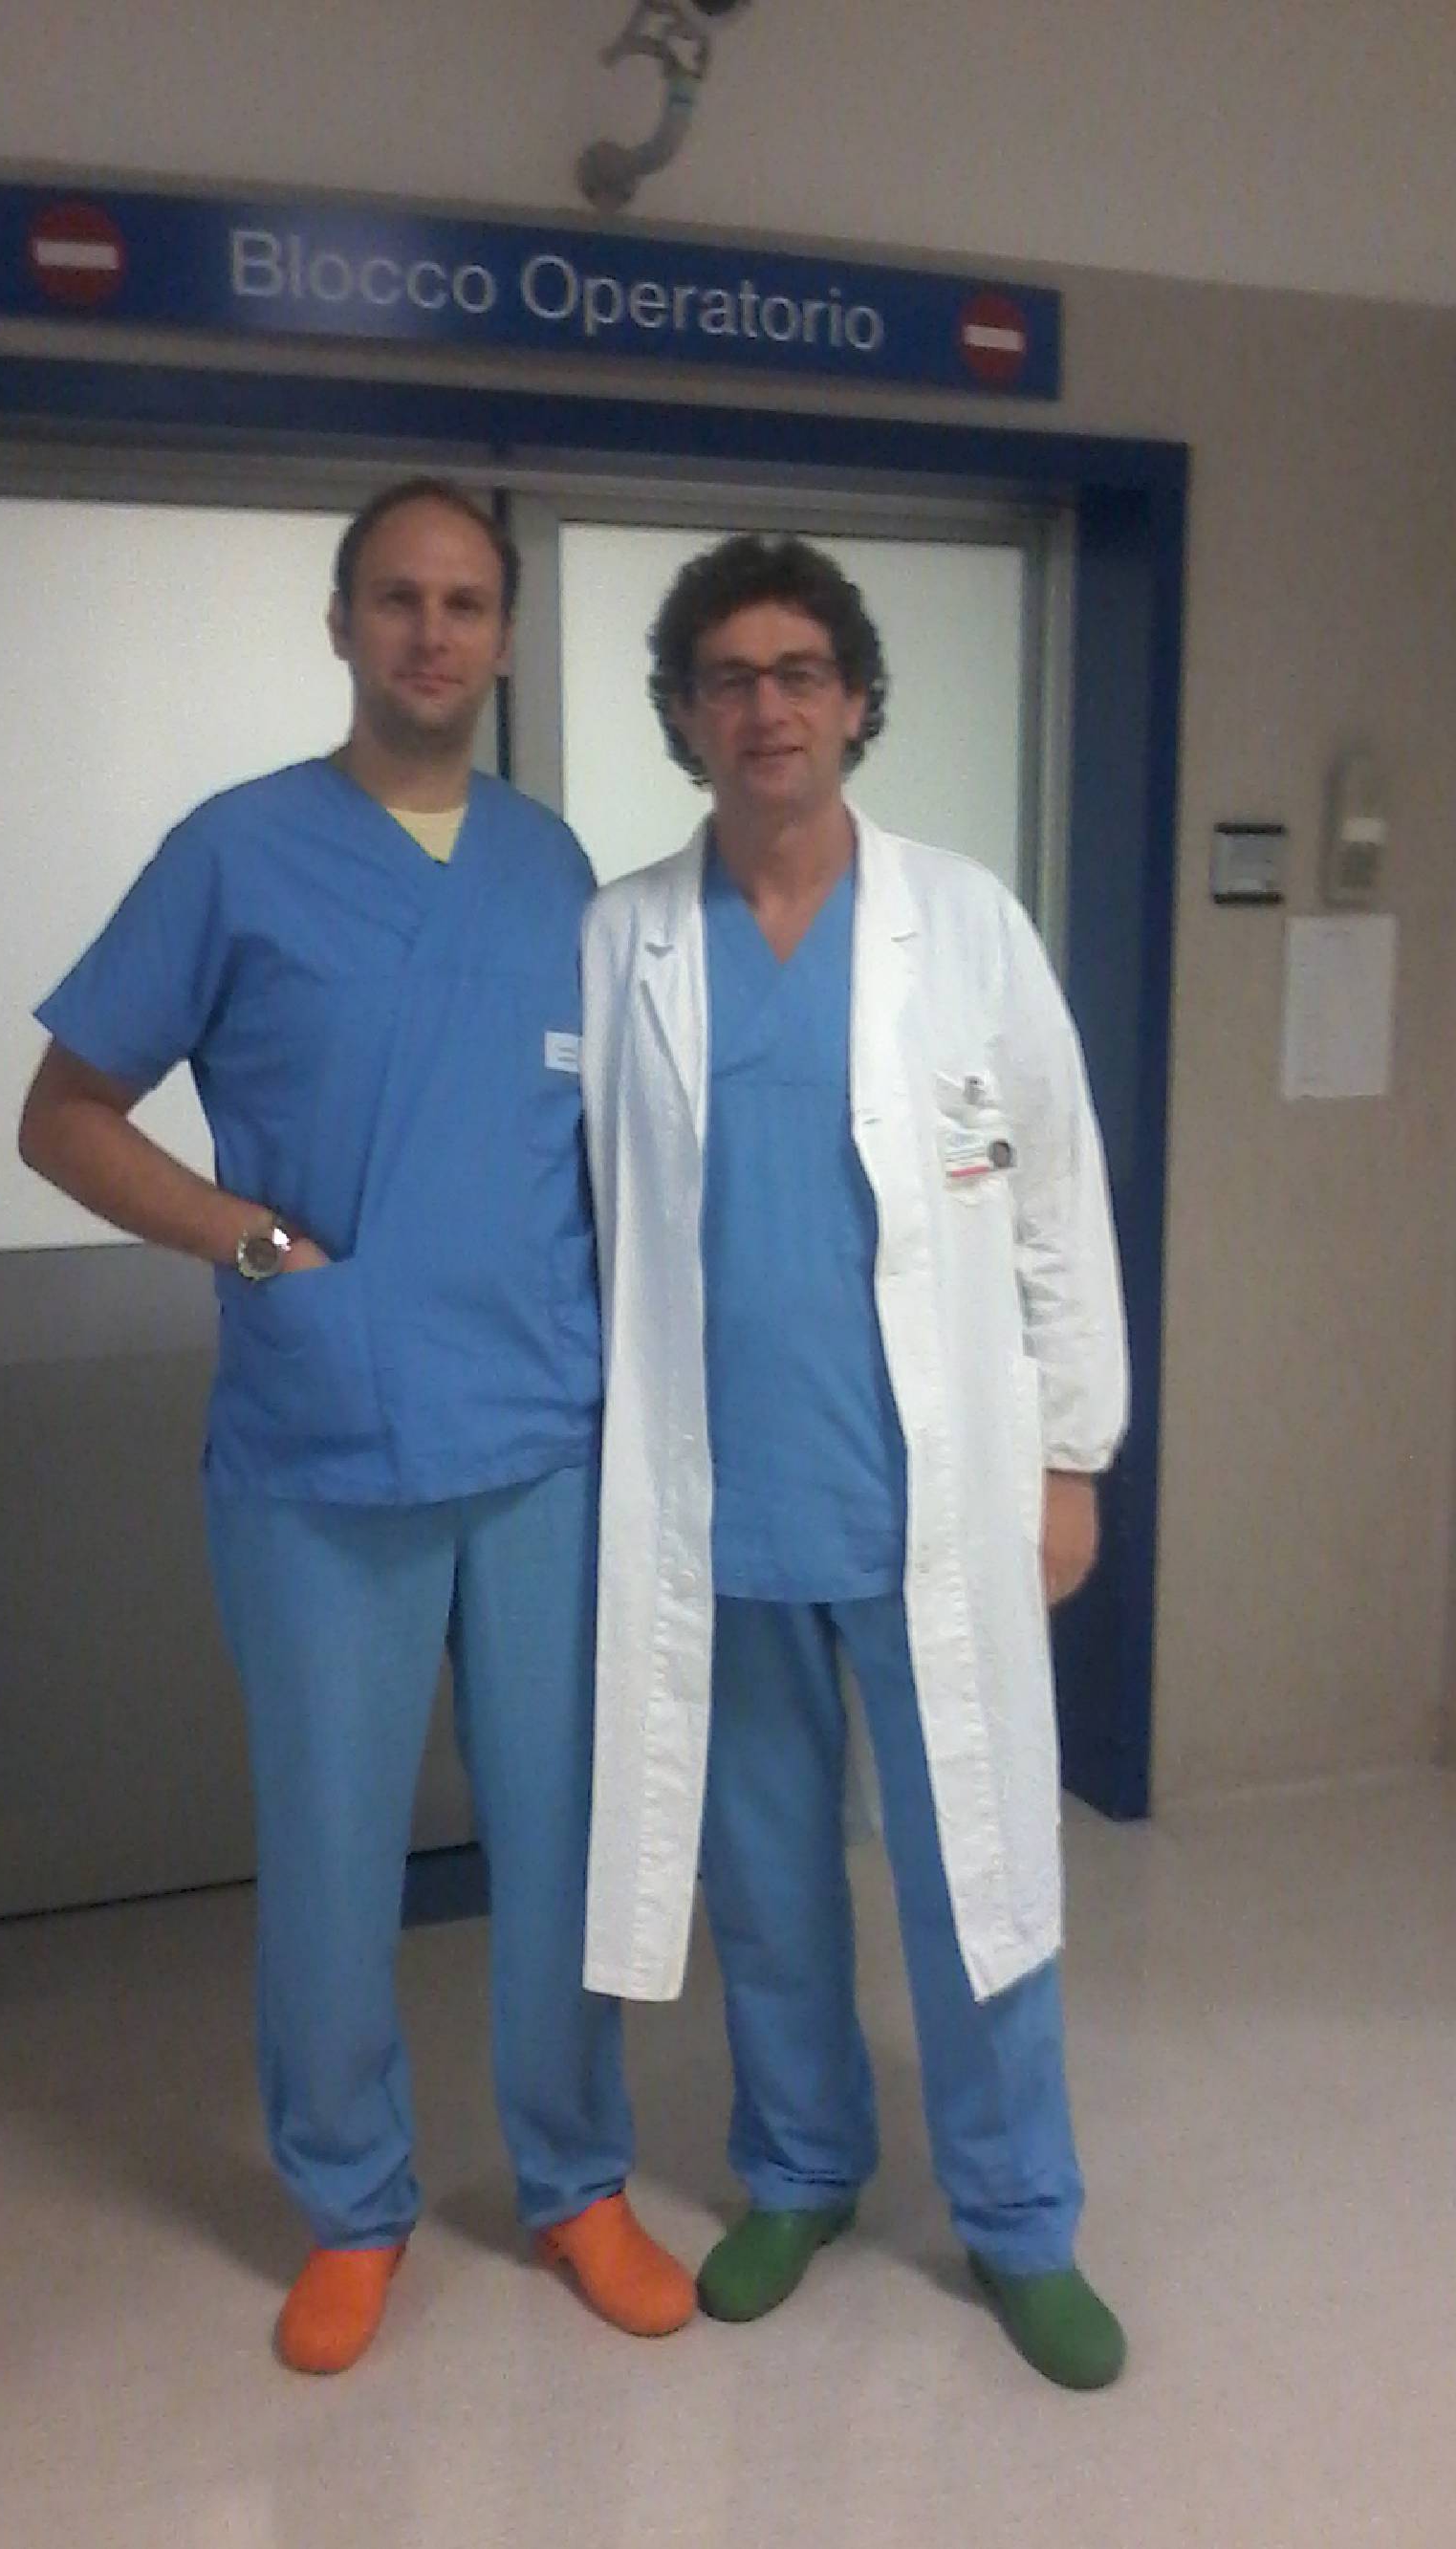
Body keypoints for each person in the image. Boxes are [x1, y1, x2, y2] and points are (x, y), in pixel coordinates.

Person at [18, 478, 694, 2374]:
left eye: (465, 602)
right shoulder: (234, 854)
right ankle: (351, 2202)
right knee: (331, 1849)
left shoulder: (553, 867)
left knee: (560, 1838)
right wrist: (246, 1239)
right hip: (324, 1445)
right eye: (398, 597)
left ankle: (574, 2178)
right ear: (342, 624)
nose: (431, 632)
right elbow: (62, 1114)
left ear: (502, 637)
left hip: (538, 1436)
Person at [577, 533, 1129, 2387]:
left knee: (978, 1861)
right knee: (765, 1876)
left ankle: (1019, 2215)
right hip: (723, 1505)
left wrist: (1070, 1454)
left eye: (799, 672)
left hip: (929, 1500)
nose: (767, 707)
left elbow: (1055, 1198)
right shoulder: (627, 939)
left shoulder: (964, 923)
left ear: (858, 700)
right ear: (683, 714)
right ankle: (801, 2169)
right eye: (728, 678)